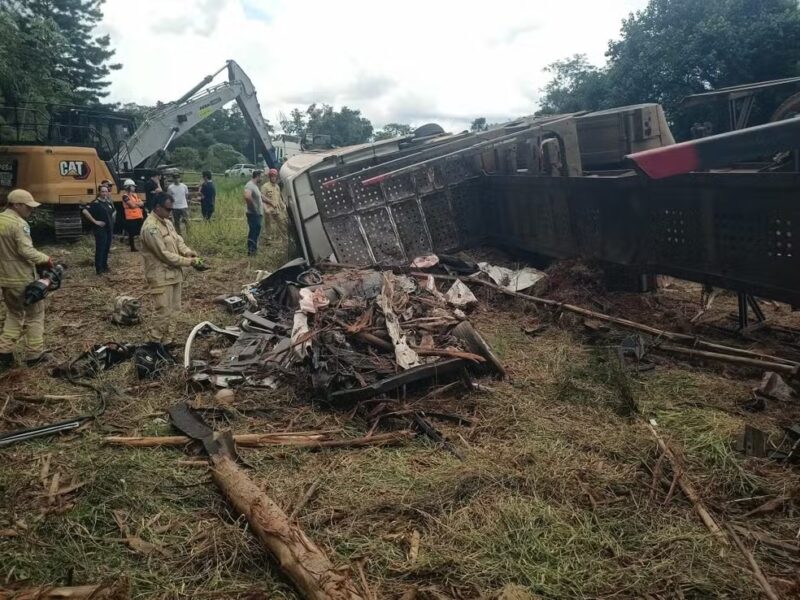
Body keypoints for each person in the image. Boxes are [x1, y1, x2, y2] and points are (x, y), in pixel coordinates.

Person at [0, 189, 54, 369]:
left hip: (5, 278)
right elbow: (26, 251)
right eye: (28, 207)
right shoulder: (18, 224)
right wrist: (45, 259)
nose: (30, 211)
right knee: (36, 315)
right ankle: (34, 354)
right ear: (16, 205)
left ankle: (4, 353)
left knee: (14, 313)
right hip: (22, 277)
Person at [140, 192, 201, 344]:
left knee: (174, 310)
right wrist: (189, 262)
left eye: (171, 209)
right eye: (168, 209)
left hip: (173, 274)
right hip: (160, 276)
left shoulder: (167, 221)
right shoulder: (150, 228)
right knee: (163, 311)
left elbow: (178, 240)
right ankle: (154, 344)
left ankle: (167, 341)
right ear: (157, 207)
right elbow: (164, 254)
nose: (170, 212)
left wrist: (188, 251)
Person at [81, 184, 116, 274]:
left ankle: (105, 265)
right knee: (100, 248)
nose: (104, 193)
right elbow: (85, 211)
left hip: (109, 228)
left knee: (106, 248)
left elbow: (112, 212)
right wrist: (95, 221)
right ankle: (99, 268)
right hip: (100, 229)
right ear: (99, 192)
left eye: (106, 191)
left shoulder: (108, 202)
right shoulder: (95, 203)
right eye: (102, 191)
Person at [260, 168, 285, 243]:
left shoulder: (277, 187)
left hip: (277, 209)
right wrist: (265, 209)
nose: (273, 178)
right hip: (268, 209)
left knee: (281, 223)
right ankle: (268, 239)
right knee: (268, 224)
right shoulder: (265, 187)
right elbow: (262, 198)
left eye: (275, 176)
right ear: (269, 177)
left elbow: (279, 198)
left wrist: (283, 206)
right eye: (272, 176)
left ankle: (282, 238)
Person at [121, 178, 145, 252]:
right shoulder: (125, 196)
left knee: (142, 231)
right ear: (128, 187)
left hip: (138, 216)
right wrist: (137, 204)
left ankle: (142, 246)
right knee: (132, 234)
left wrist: (136, 204)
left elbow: (142, 203)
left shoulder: (134, 195)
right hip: (130, 217)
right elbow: (132, 205)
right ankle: (132, 247)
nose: (134, 187)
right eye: (133, 186)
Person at [243, 170, 264, 256]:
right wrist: (254, 208)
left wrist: (270, 201)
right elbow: (247, 197)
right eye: (261, 177)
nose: (261, 178)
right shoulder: (250, 185)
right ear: (257, 176)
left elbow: (260, 196)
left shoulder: (255, 186)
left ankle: (253, 249)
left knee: (256, 231)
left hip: (257, 214)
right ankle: (251, 251)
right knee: (253, 232)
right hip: (253, 214)